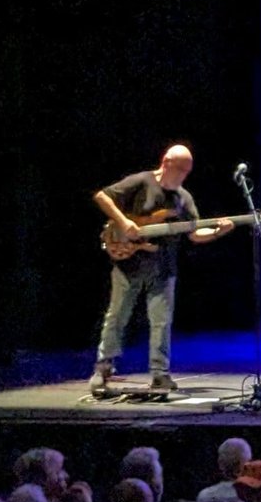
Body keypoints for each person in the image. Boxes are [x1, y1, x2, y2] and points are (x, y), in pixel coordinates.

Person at [90, 144, 235, 392]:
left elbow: (194, 234)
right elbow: (102, 196)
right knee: (117, 316)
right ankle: (103, 368)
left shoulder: (183, 198)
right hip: (129, 264)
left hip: (164, 268)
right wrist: (123, 222)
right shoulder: (141, 181)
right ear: (166, 162)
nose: (183, 175)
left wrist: (218, 231)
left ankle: (160, 374)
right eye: (180, 169)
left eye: (187, 171)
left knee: (161, 322)